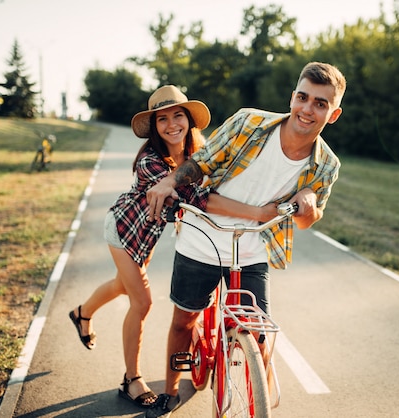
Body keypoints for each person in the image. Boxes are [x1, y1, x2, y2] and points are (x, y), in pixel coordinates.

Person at [145, 61, 346, 417]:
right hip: (202, 236)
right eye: (303, 97)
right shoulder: (248, 123)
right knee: (184, 320)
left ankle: (257, 398)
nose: (307, 108)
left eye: (320, 103)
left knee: (259, 336)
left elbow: (307, 221)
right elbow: (200, 164)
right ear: (293, 97)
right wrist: (169, 182)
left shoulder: (325, 165)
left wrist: (310, 204)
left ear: (333, 114)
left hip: (253, 246)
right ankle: (171, 390)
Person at [68, 85, 277, 410]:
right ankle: (131, 380)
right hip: (125, 232)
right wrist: (257, 213)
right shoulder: (150, 162)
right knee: (142, 302)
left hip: (147, 237)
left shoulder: (199, 152)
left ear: (189, 120)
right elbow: (199, 199)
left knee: (121, 286)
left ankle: (82, 313)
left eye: (177, 115)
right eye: (162, 119)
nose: (171, 124)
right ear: (154, 127)